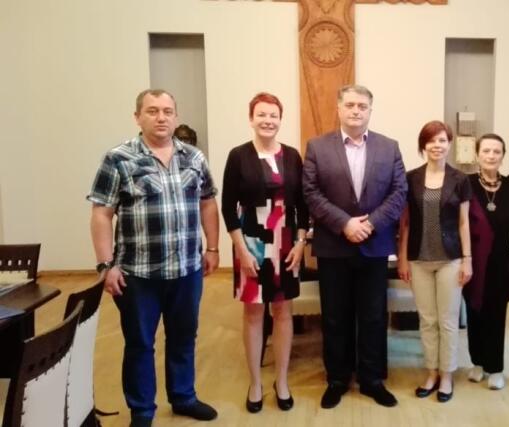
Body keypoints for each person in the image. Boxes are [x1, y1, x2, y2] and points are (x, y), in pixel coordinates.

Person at [88, 89, 220, 427]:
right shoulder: (119, 158)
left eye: (167, 111)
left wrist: (213, 248)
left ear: (176, 117)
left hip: (187, 269)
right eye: (152, 111)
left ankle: (183, 397)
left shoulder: (194, 157)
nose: (161, 117)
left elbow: (207, 202)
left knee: (183, 337)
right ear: (138, 117)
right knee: (140, 343)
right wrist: (106, 264)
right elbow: (102, 213)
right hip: (137, 274)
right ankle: (142, 410)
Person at [302, 84, 407, 409]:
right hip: (334, 246)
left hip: (375, 247)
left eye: (362, 105)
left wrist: (371, 223)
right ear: (339, 108)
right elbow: (311, 192)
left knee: (374, 316)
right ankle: (337, 378)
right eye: (350, 104)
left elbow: (399, 191)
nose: (356, 110)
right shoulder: (317, 147)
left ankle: (372, 379)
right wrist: (344, 223)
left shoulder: (389, 148)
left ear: (370, 111)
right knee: (335, 316)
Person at [221, 92, 308, 413]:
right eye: (262, 115)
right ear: (251, 118)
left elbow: (303, 206)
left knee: (283, 311)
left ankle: (281, 380)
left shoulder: (293, 156)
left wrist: (300, 242)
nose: (268, 120)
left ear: (280, 119)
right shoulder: (238, 156)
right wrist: (241, 250)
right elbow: (228, 208)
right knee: (254, 313)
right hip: (251, 243)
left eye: (273, 115)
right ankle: (256, 382)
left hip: (286, 245)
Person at [397, 120, 472, 403]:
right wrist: (403, 258)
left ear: (449, 144)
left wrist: (468, 260)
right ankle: (431, 372)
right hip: (419, 259)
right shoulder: (411, 178)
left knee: (448, 320)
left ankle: (447, 374)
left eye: (442, 140)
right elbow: (404, 222)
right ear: (423, 146)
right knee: (427, 321)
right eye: (431, 141)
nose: (437, 146)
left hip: (450, 259)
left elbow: (463, 223)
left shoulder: (460, 179)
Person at [463, 133, 509, 391]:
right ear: (477, 154)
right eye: (486, 151)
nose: (491, 156)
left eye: (497, 152)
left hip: (502, 262)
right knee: (474, 312)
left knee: (496, 314)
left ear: (503, 156)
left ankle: (495, 367)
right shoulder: (466, 183)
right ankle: (477, 362)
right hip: (473, 260)